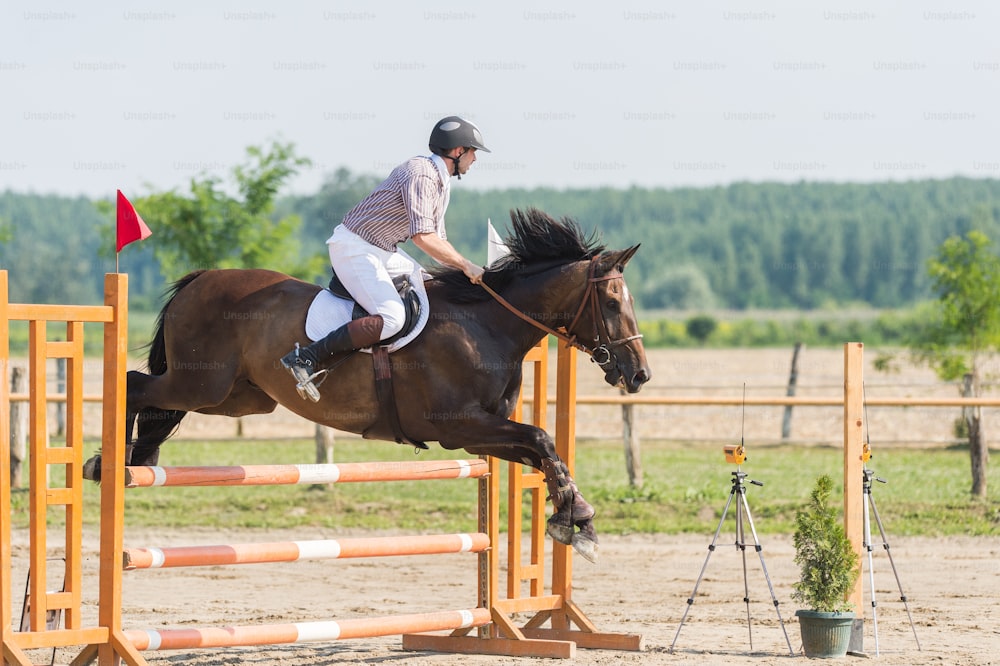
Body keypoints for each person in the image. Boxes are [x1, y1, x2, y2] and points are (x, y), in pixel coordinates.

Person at [280, 115, 490, 401]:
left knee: (427, 288)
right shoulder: (422, 173)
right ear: (457, 151)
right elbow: (423, 238)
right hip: (354, 246)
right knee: (392, 318)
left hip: (381, 248)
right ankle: (306, 358)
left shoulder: (441, 181)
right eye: (473, 151)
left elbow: (439, 242)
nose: (475, 159)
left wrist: (468, 275)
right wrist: (466, 265)